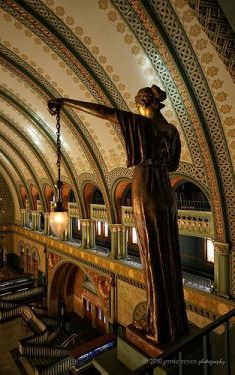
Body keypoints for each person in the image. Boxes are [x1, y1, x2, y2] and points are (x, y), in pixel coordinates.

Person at [48, 84, 188, 345]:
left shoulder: (139, 123)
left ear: (143, 103)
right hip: (166, 193)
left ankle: (158, 327)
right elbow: (173, 165)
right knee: (168, 253)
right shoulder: (171, 132)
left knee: (152, 258)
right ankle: (175, 322)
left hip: (145, 187)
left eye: (138, 105)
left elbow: (104, 112)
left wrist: (67, 100)